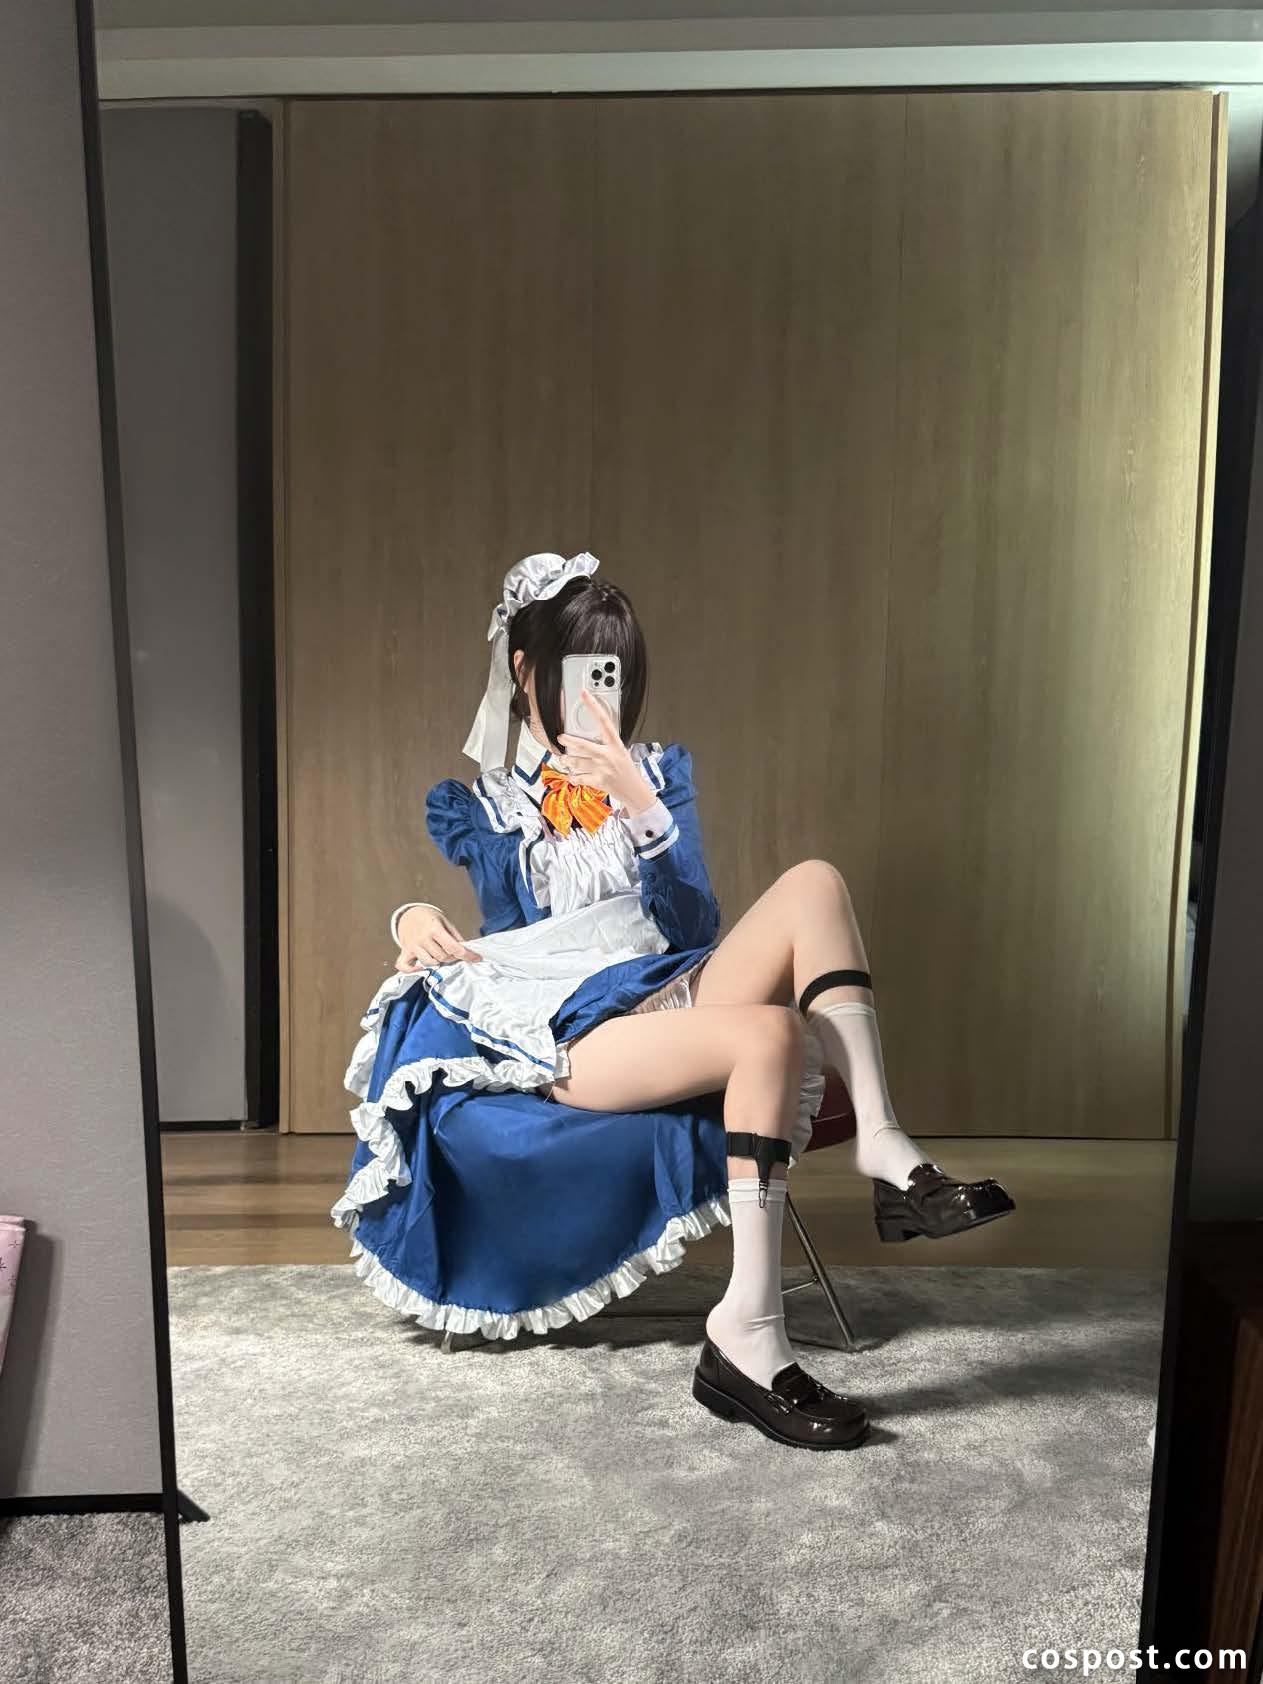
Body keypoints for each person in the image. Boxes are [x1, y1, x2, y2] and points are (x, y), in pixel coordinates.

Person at [332, 550, 1015, 1451]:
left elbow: (694, 923)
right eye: (581, 670)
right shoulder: (480, 805)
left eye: (614, 673)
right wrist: (411, 913)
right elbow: (506, 937)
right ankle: (748, 1335)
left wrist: (641, 805)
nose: (600, 695)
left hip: (672, 984)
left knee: (814, 881)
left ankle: (884, 1147)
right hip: (576, 1026)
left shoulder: (658, 772)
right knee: (770, 1035)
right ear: (526, 671)